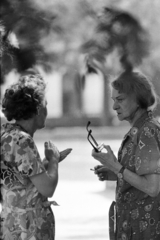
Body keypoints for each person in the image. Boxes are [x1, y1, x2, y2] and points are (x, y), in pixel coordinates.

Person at [0, 73, 72, 240]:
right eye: (46, 104)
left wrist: (45, 162)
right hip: (28, 230)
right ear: (39, 109)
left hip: (10, 225)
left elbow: (20, 178)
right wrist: (53, 161)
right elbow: (47, 188)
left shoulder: (7, 135)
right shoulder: (23, 141)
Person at [91, 70, 160, 240]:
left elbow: (152, 188)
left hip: (144, 230)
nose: (114, 106)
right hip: (131, 226)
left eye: (120, 100)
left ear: (138, 99)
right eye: (113, 100)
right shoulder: (139, 130)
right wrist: (115, 173)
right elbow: (143, 176)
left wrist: (115, 165)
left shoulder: (147, 131)